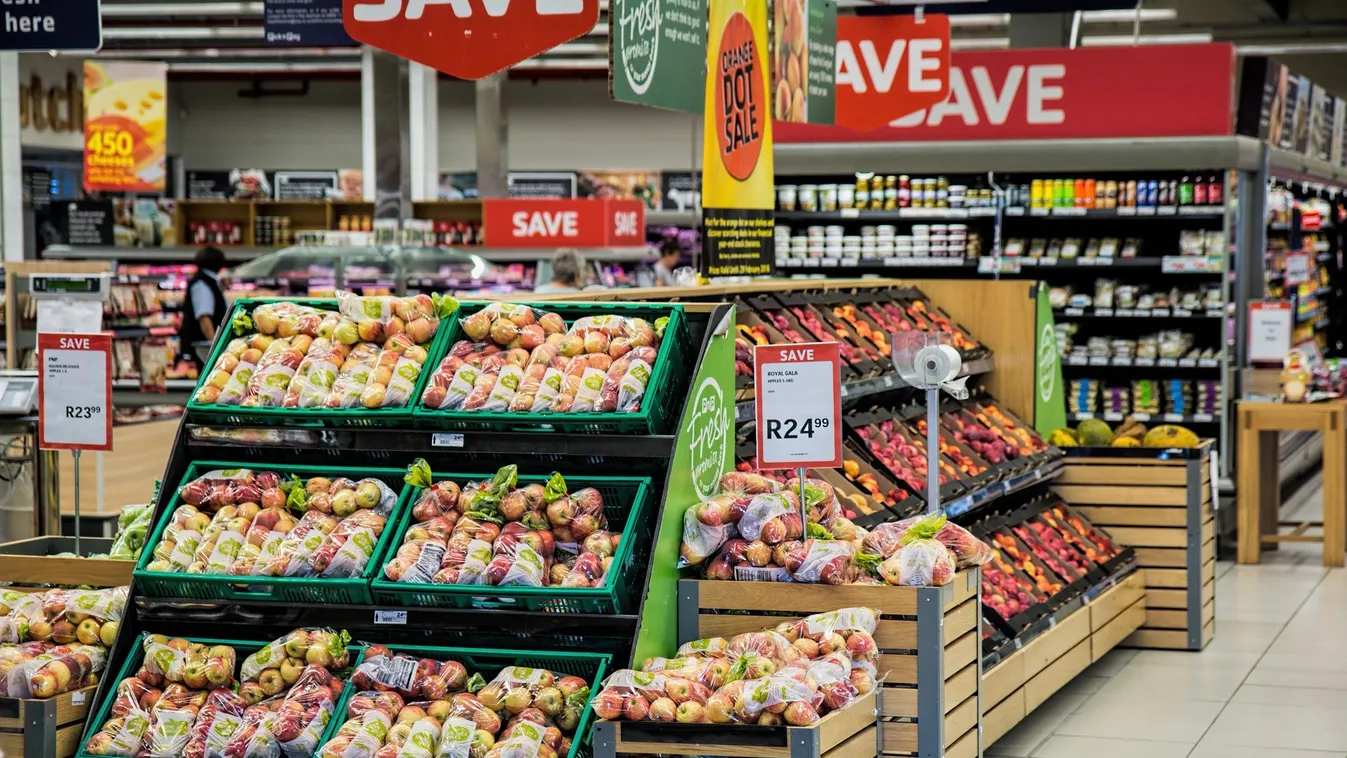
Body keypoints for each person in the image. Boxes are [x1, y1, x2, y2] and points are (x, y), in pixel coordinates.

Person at [179, 246, 228, 367]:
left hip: (204, 345)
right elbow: (204, 317)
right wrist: (215, 346)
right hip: (203, 347)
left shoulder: (208, 281)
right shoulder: (202, 284)